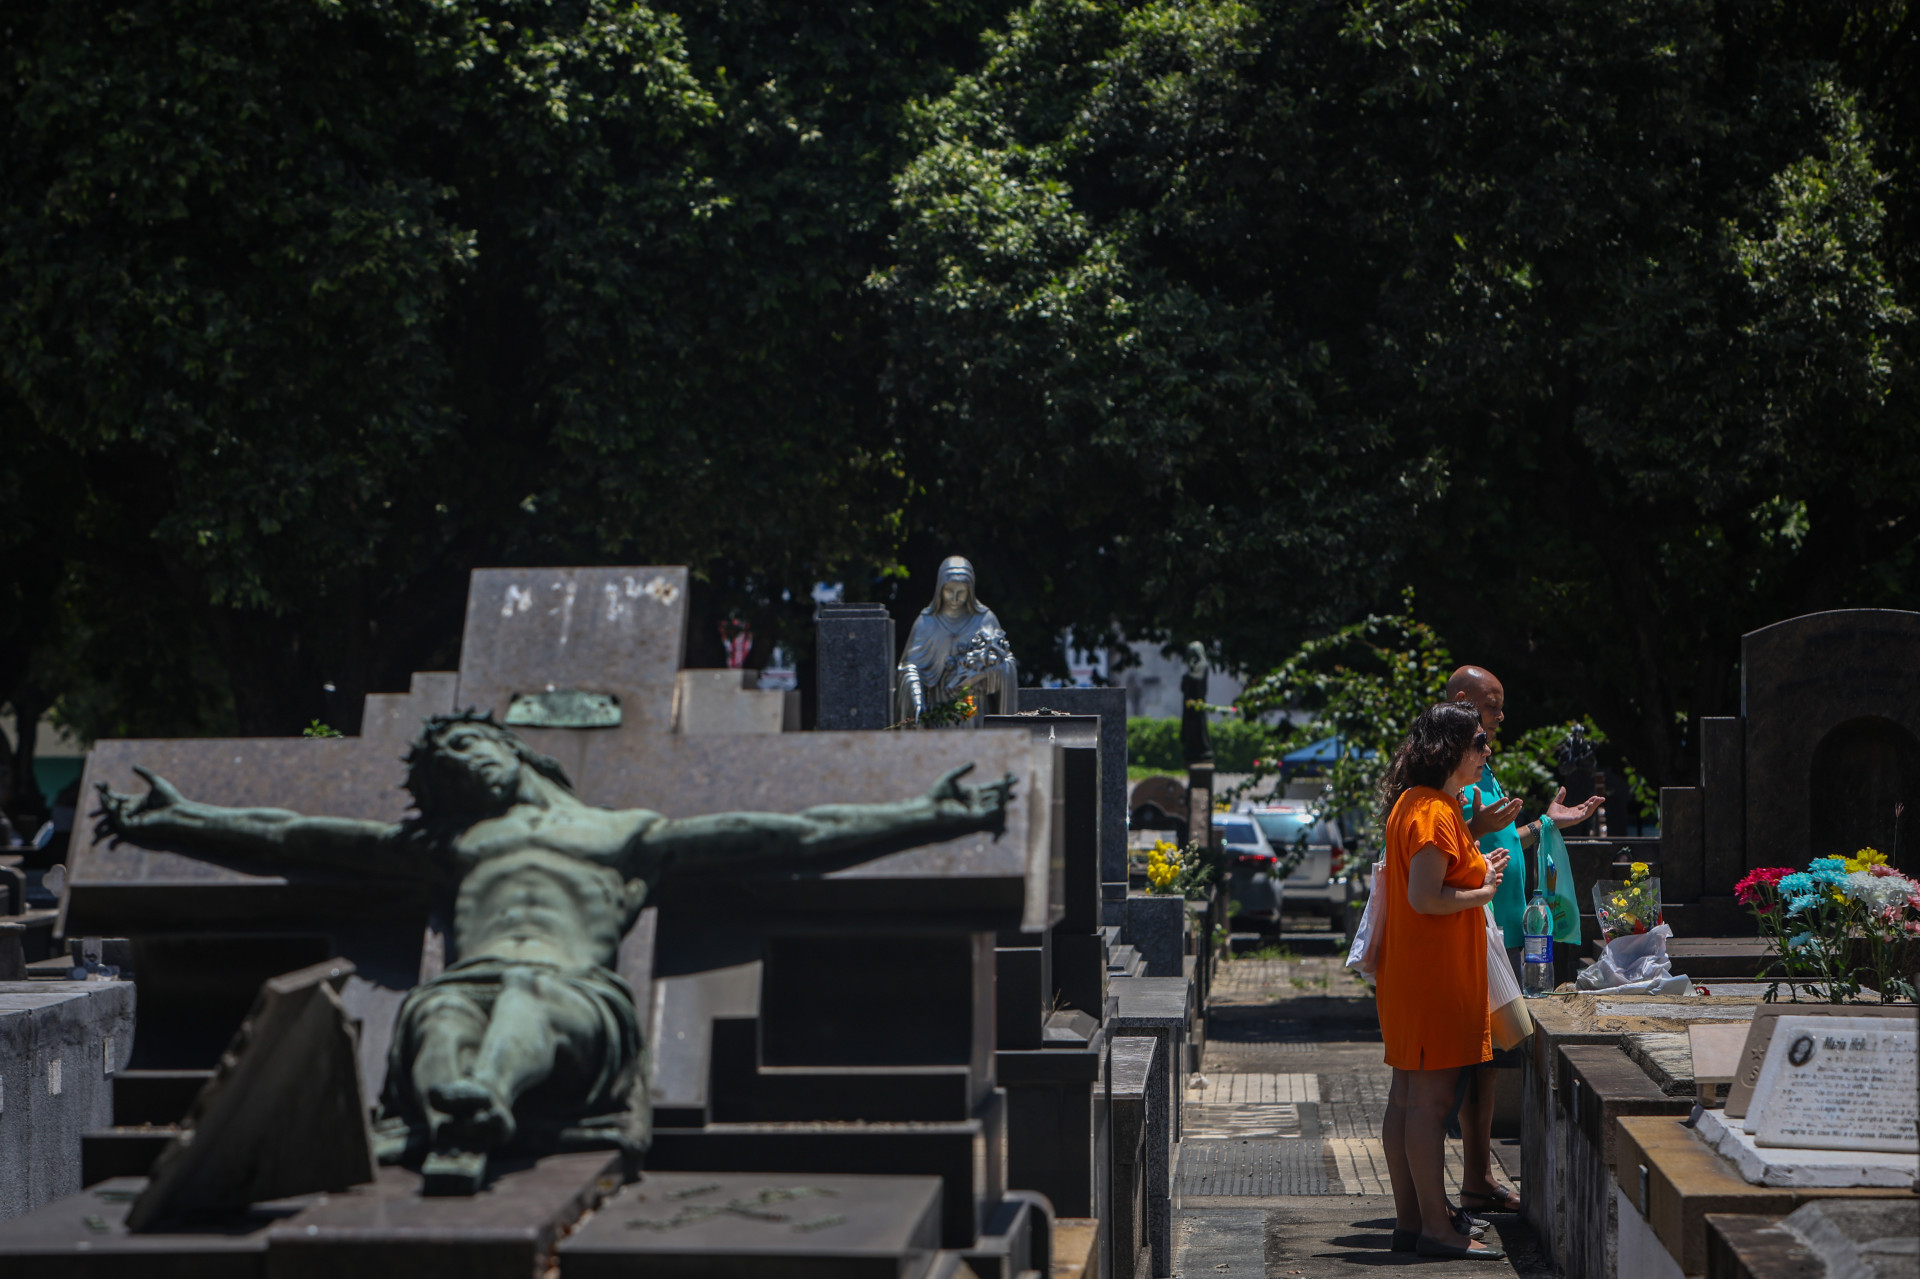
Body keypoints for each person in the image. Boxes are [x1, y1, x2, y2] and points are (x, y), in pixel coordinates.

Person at [95, 711, 1015, 1192]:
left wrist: (929, 816)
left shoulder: (625, 834)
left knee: (530, 997)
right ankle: (456, 1110)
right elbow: (291, 838)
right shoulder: (451, 847)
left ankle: (480, 1105)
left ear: (507, 748)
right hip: (470, 979)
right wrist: (179, 820)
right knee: (439, 1011)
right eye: (445, 766)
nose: (460, 764)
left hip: (578, 1003)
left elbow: (792, 834)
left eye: (466, 746)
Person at [1445, 664, 1601, 1215]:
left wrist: (1550, 823)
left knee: (1488, 1060)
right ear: (1463, 700)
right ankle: (1468, 1180)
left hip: (1507, 930)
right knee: (1469, 1061)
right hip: (1474, 929)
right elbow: (1445, 842)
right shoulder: (1451, 764)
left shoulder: (1482, 762)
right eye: (1493, 706)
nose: (1500, 718)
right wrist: (1479, 828)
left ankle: (1479, 1177)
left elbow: (1505, 835)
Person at [1375, 701, 1508, 1260]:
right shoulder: (1431, 811)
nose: (1487, 750)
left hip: (1412, 972)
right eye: (1479, 741)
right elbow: (1426, 898)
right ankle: (1434, 1227)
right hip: (1432, 975)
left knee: (1408, 1099)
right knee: (1428, 1105)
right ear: (1450, 749)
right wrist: (1484, 890)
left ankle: (1414, 1220)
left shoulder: (1419, 802)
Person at [895, 555, 1018, 725]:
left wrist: (980, 675)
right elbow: (909, 668)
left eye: (961, 592)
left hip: (975, 710)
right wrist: (917, 699)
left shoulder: (985, 620)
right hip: (939, 711)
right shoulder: (926, 622)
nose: (954, 598)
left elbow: (1007, 663)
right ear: (940, 589)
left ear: (970, 590)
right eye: (949, 591)